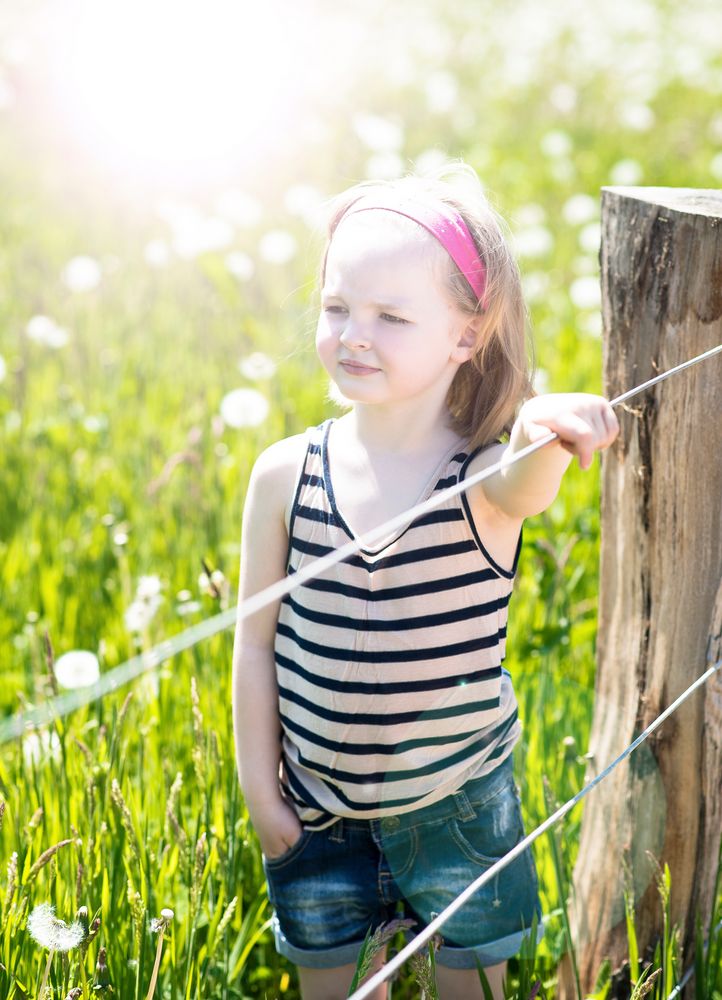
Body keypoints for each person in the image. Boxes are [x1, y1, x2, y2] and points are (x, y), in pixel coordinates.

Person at [232, 162, 619, 1000]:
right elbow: (255, 642)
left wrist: (544, 427)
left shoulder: (482, 479)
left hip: (460, 812)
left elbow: (526, 480)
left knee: (468, 987)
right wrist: (263, 796)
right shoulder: (283, 474)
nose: (353, 334)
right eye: (337, 308)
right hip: (317, 813)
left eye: (391, 316)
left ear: (467, 335)